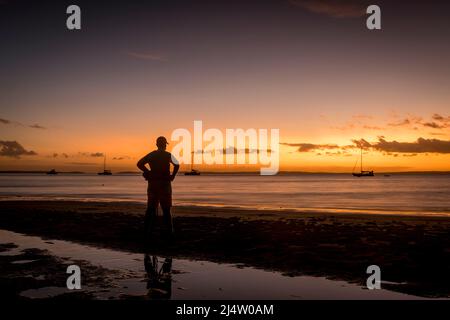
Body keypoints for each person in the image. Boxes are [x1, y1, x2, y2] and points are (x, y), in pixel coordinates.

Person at [137, 136, 179, 240]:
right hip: (165, 184)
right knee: (166, 210)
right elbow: (177, 165)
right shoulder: (168, 155)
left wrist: (148, 172)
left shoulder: (151, 155)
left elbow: (139, 164)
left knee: (150, 209)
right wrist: (173, 176)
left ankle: (146, 232)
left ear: (156, 144)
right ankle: (169, 232)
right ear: (165, 145)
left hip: (153, 184)